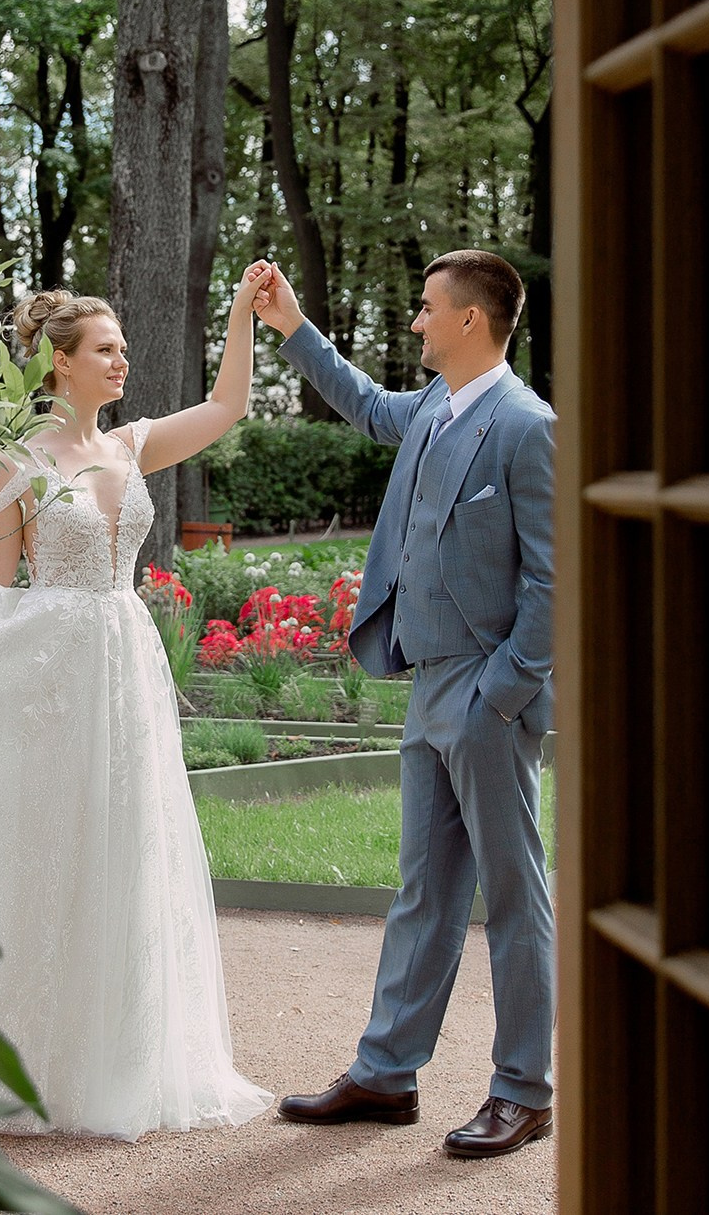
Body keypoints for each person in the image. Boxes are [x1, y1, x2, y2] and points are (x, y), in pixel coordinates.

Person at [0, 266, 278, 1138]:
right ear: (60, 364)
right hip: (55, 678)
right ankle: (39, 1054)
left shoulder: (133, 444)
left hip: (128, 663)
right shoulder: (19, 459)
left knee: (130, 841)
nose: (122, 364)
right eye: (107, 350)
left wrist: (238, 316)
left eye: (125, 351)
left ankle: (123, 1058)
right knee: (57, 847)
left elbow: (227, 407)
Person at [255, 251, 559, 1160]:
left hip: (487, 694)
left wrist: (500, 694)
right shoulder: (433, 405)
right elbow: (363, 403)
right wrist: (294, 329)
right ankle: (387, 1073)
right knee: (424, 890)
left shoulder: (525, 424)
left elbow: (553, 578)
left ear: (472, 319)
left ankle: (524, 1089)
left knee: (513, 895)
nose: (417, 322)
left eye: (428, 309)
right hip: (426, 683)